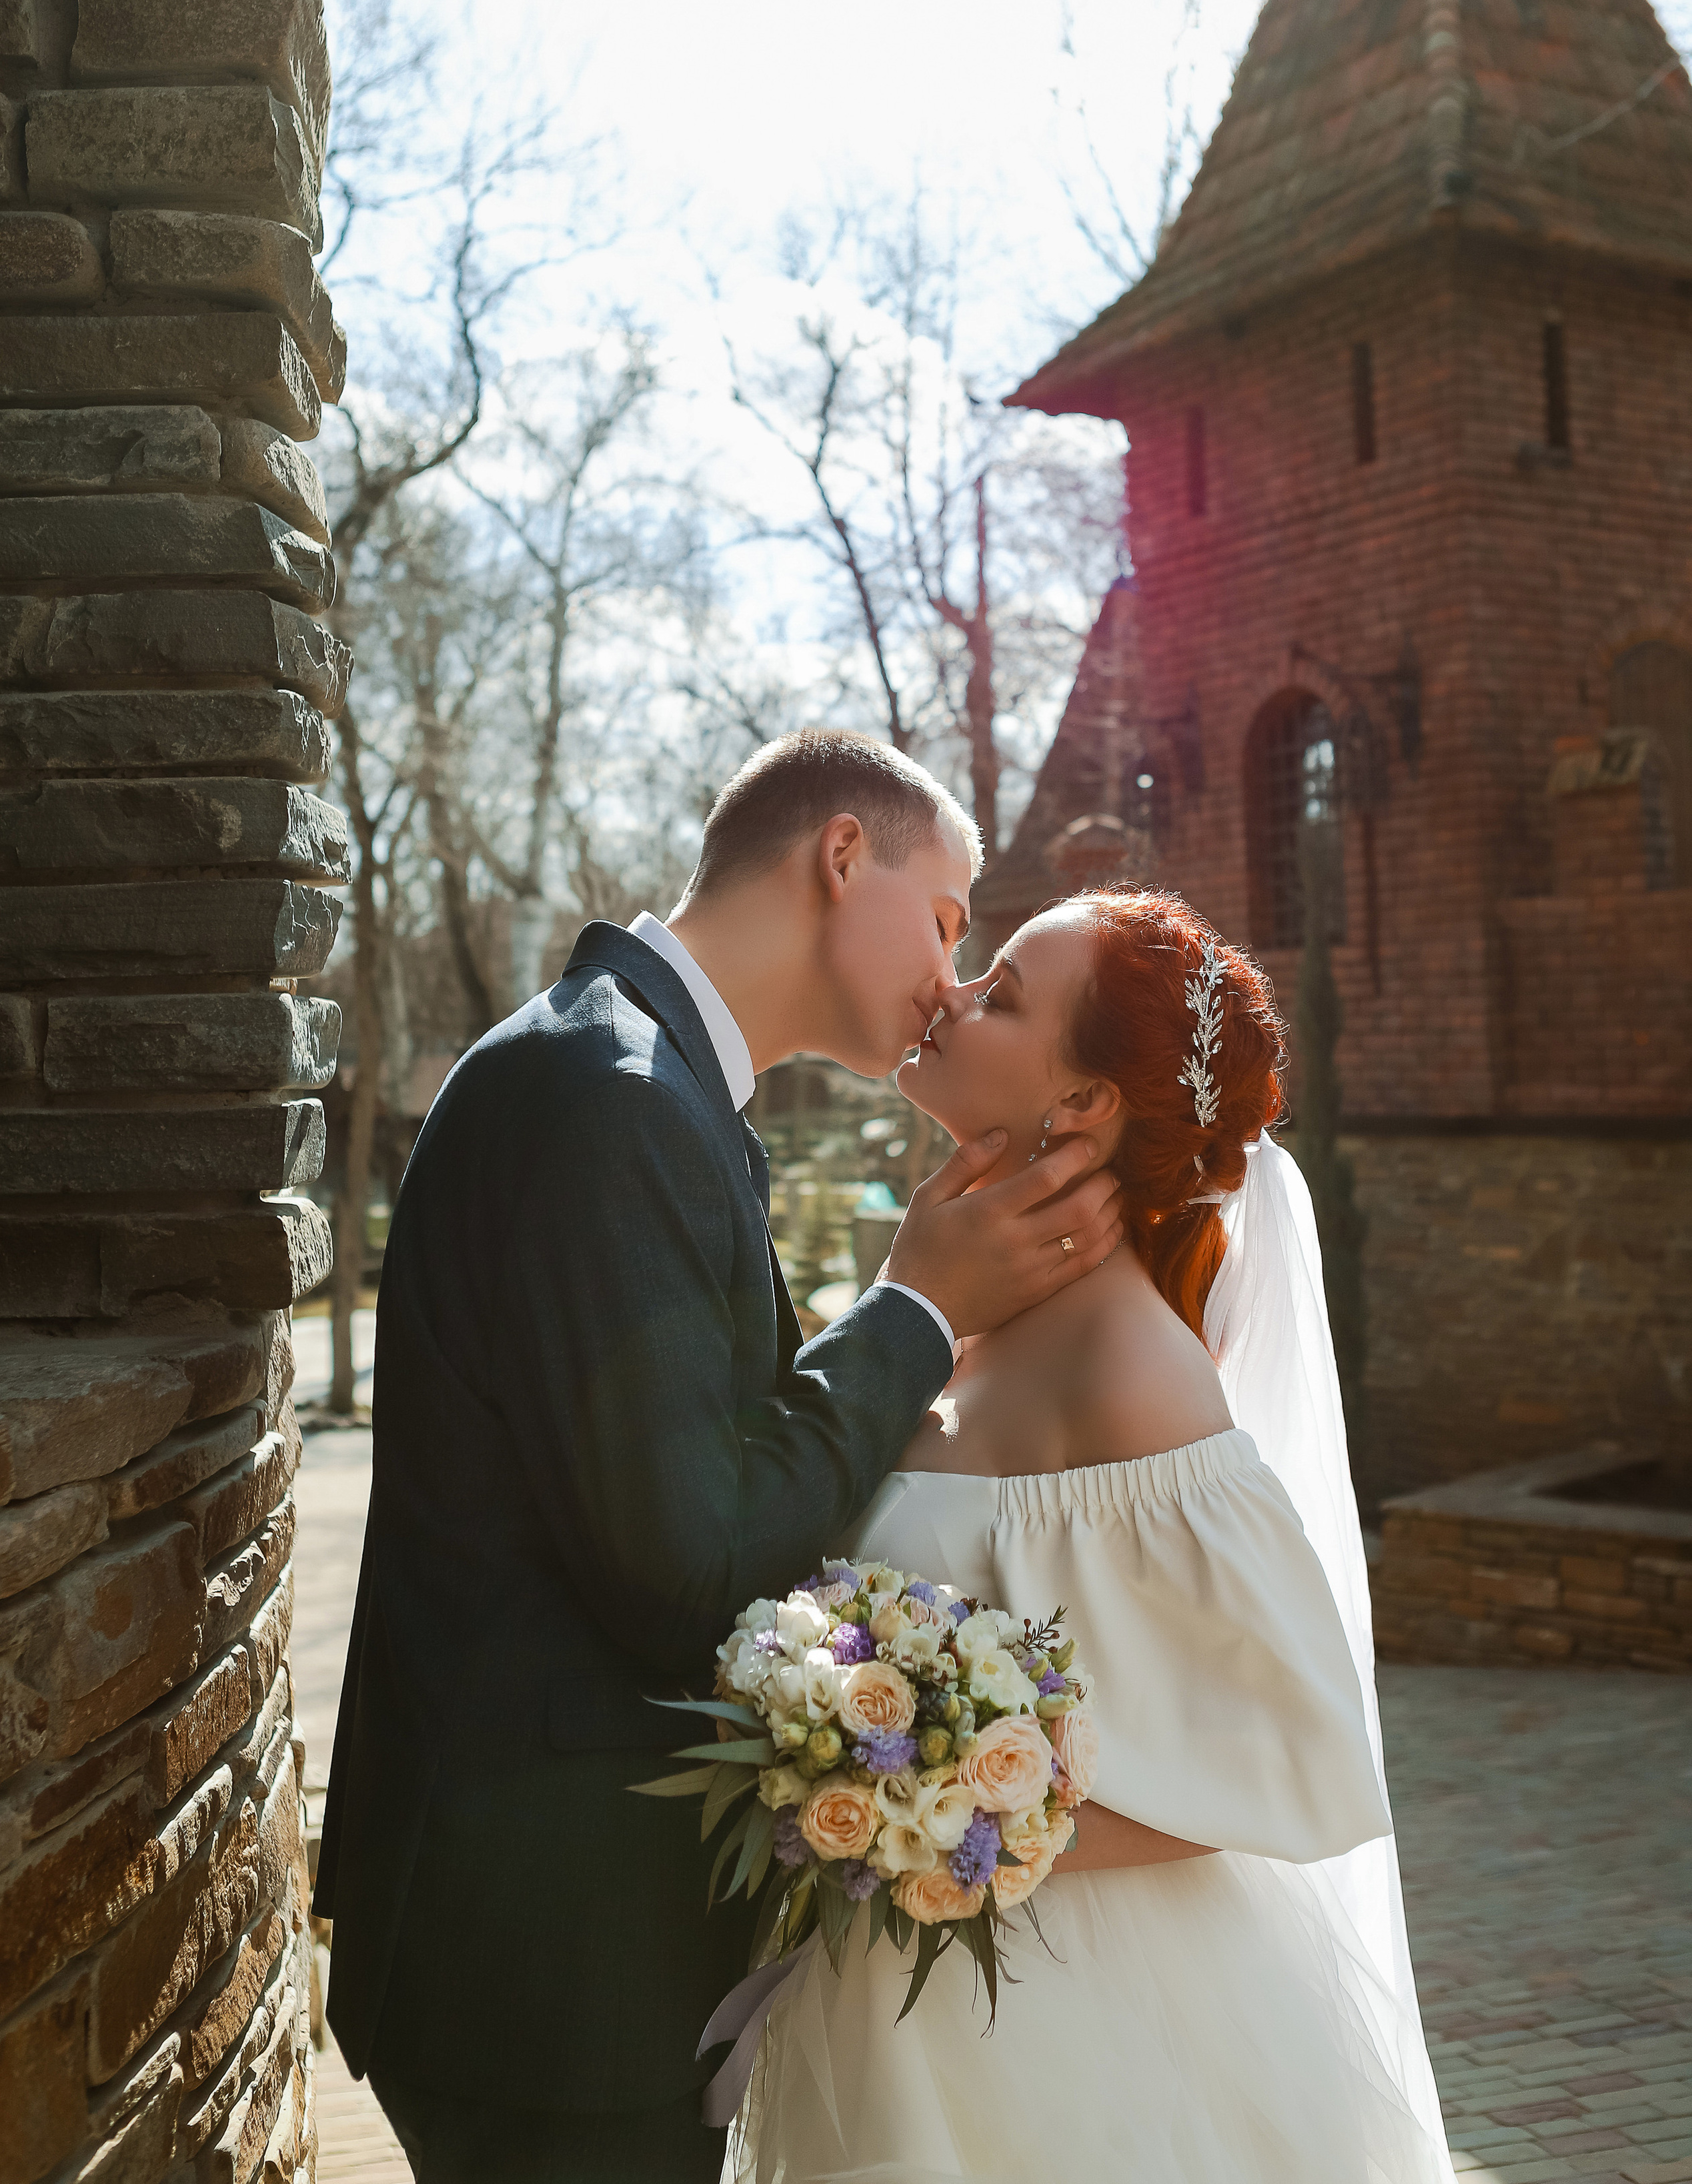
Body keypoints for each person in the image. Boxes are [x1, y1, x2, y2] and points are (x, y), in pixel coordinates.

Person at [313, 731, 1124, 2183]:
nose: (952, 976)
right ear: (837, 857)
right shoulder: (608, 1097)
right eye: (945, 919)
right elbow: (682, 1562)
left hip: (566, 1952)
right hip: (547, 1974)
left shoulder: (643, 1077)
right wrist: (917, 1310)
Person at [732, 889, 1457, 2184]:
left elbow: (1292, 1754)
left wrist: (940, 1813)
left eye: (1001, 991)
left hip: (1065, 2034)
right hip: (888, 2008)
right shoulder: (963, 1316)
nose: (952, 992)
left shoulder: (1133, 1368)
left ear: (1081, 1108)